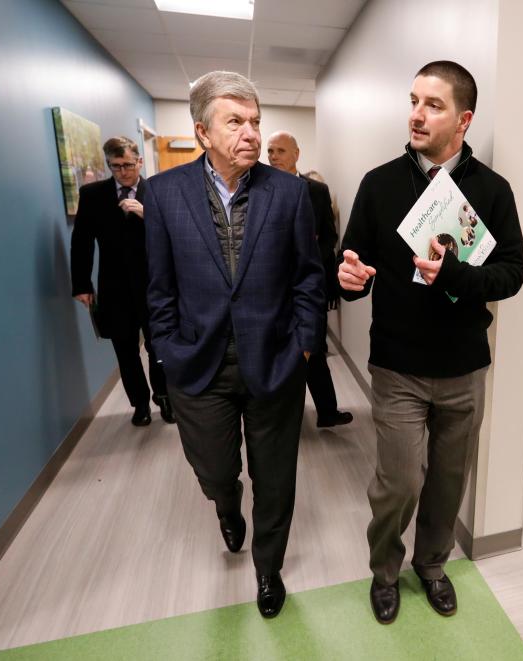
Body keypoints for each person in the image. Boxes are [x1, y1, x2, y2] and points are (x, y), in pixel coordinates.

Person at [337, 61, 523, 624]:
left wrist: (456, 277)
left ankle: (433, 565)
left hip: (465, 368)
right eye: (414, 100)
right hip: (397, 365)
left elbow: (512, 274)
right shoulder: (379, 183)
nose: (417, 114)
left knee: (448, 481)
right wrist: (346, 279)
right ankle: (385, 573)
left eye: (434, 105)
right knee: (398, 482)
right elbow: (352, 265)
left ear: (464, 120)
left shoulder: (493, 191)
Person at [143, 71, 325, 618]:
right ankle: (226, 504)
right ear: (202, 133)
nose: (249, 133)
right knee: (217, 470)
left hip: (275, 361)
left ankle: (268, 569)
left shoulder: (290, 193)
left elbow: (309, 279)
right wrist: (168, 351)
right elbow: (160, 288)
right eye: (235, 122)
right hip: (199, 365)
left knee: (275, 477)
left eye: (255, 122)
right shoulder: (162, 194)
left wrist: (305, 347)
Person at [71, 136, 173, 426]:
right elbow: (81, 242)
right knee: (125, 350)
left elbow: (174, 235)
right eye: (115, 167)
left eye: (128, 164)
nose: (123, 172)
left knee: (160, 347)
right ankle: (139, 404)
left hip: (155, 284)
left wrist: (147, 214)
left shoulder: (157, 191)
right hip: (114, 287)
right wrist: (81, 285)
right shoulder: (92, 195)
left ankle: (165, 398)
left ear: (139, 161)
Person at [266, 130, 353, 428]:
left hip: (306, 284)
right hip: (272, 288)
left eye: (280, 151)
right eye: (270, 151)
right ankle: (285, 416)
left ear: (296, 155)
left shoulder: (316, 190)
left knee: (313, 349)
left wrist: (308, 252)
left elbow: (329, 236)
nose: (273, 157)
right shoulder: (260, 188)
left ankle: (327, 412)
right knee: (279, 352)